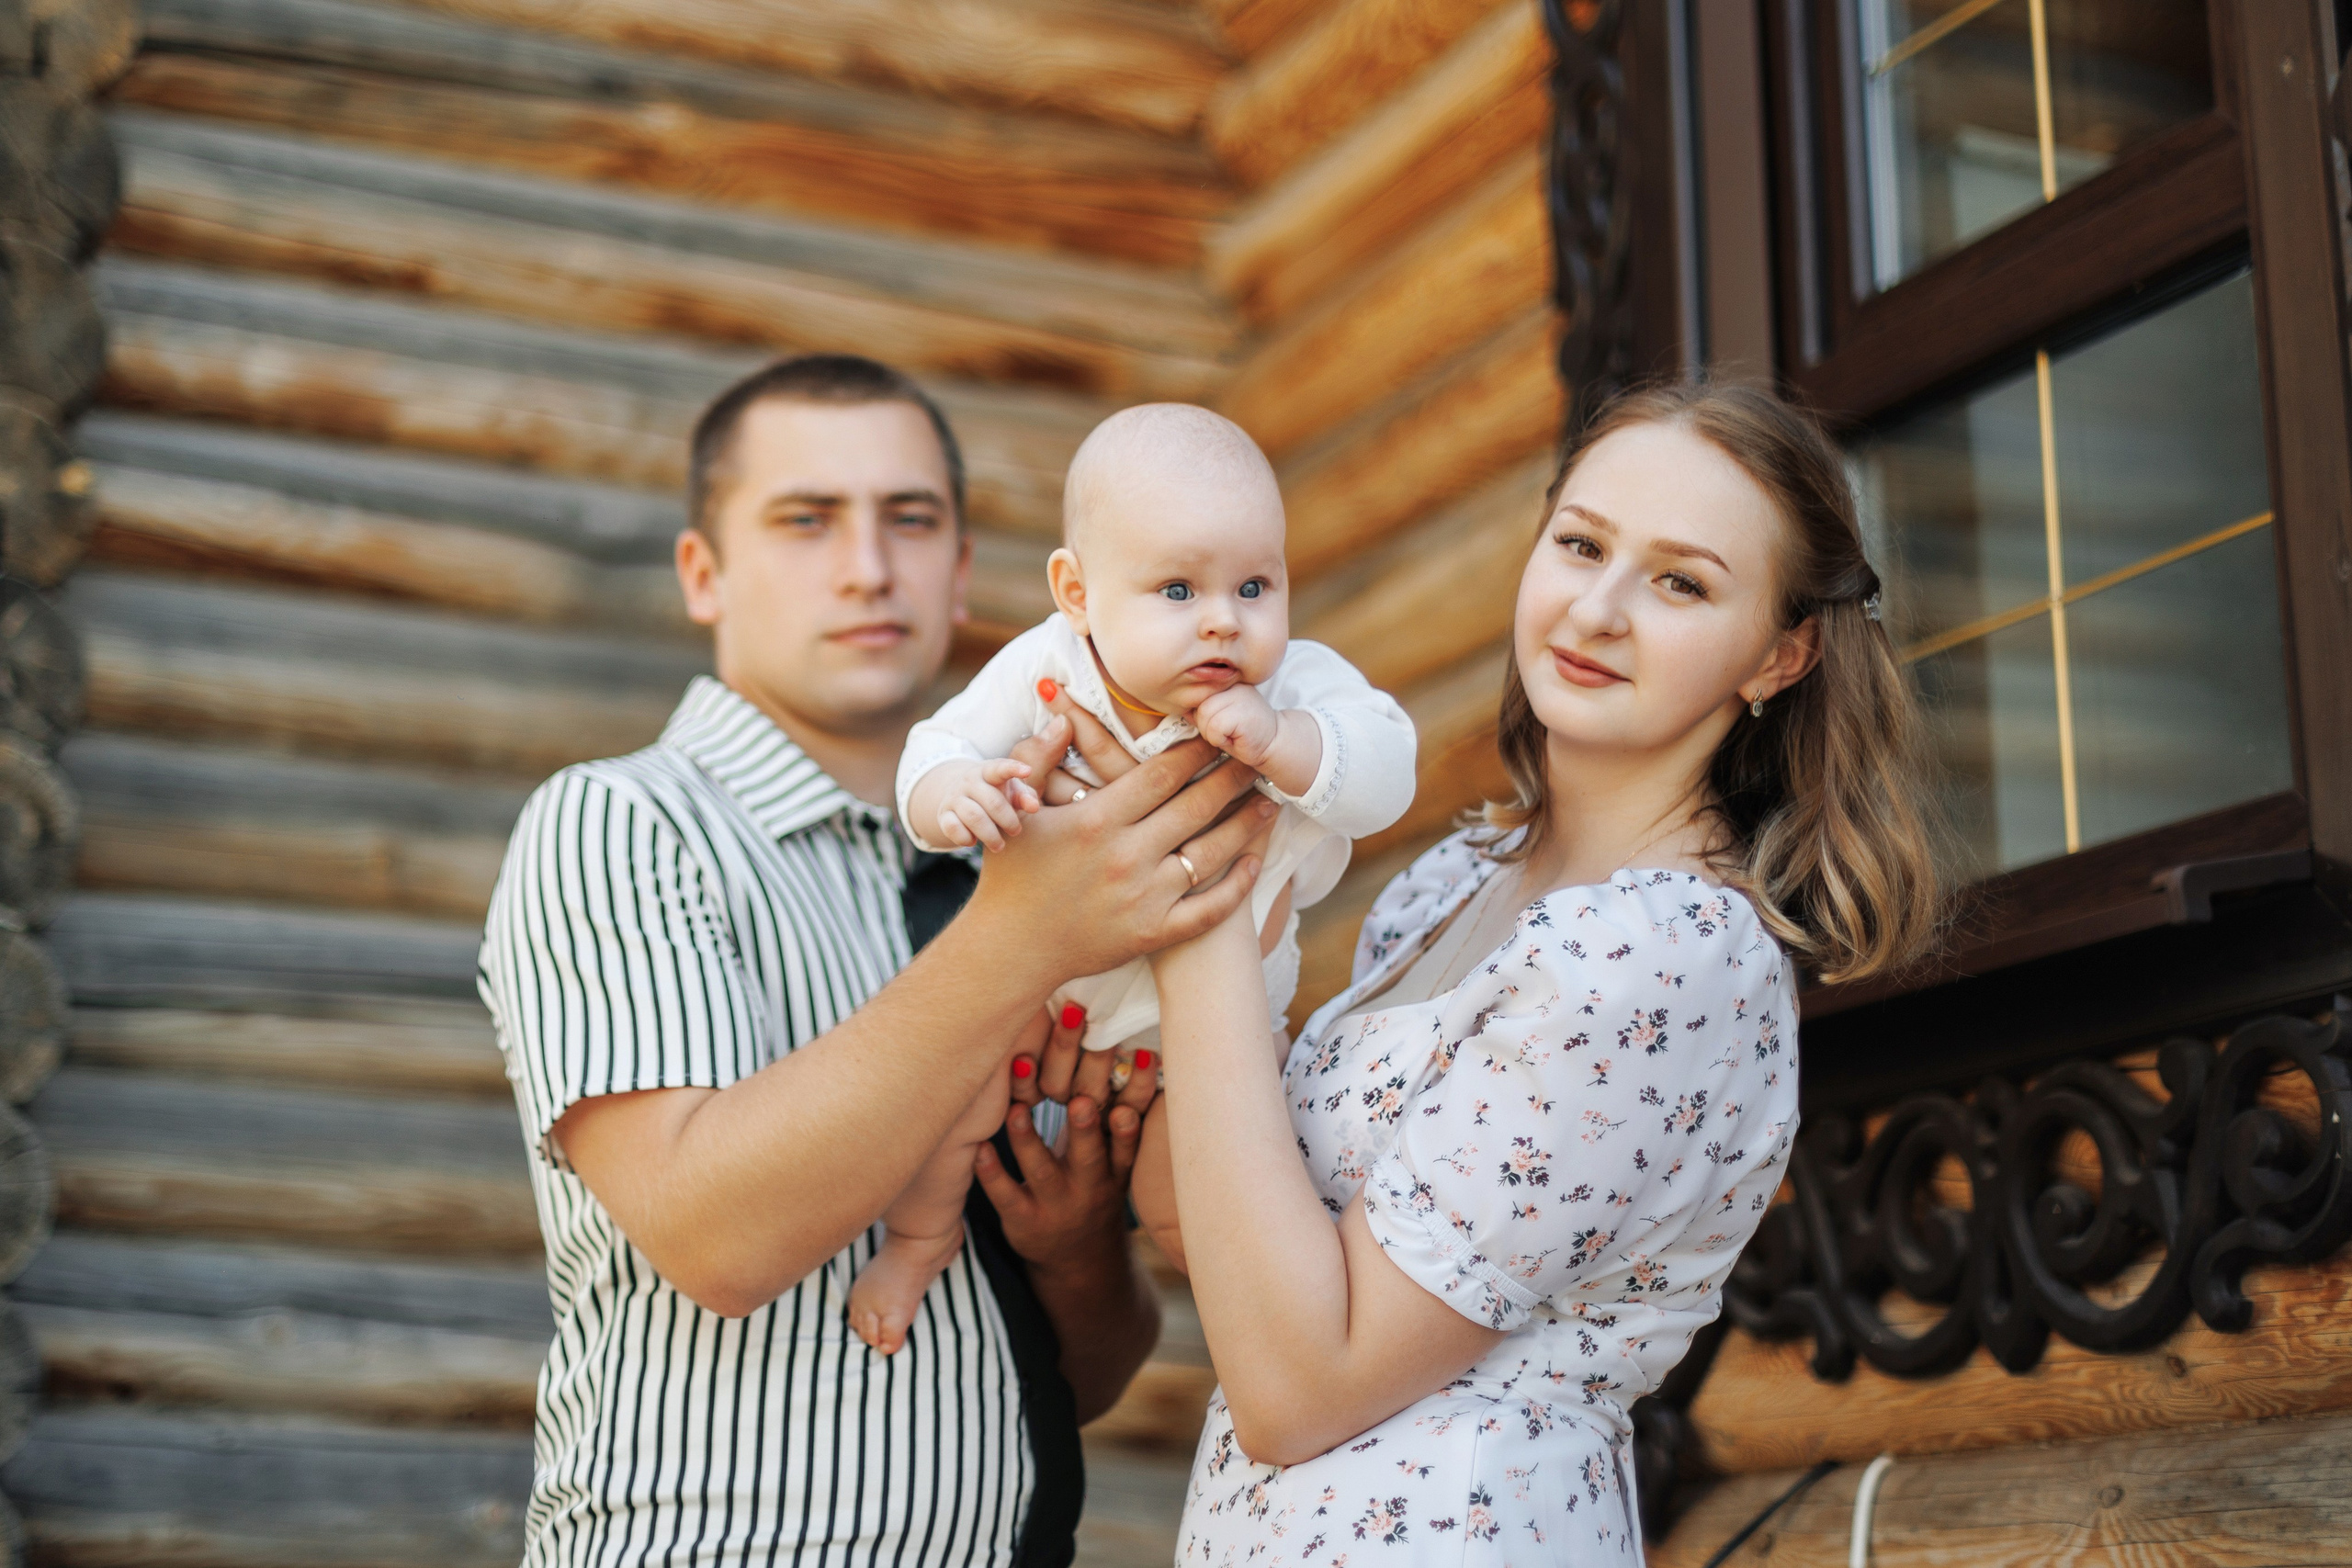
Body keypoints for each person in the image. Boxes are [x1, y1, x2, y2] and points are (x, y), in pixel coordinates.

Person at [477, 354, 1276, 1568]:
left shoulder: (1031, 855)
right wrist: (1026, 934)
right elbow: (716, 1237)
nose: (867, 566)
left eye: (911, 520)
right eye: (806, 520)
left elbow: (1093, 1376)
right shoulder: (620, 823)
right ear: (705, 573)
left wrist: (1072, 1254)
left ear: (963, 574)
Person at [1129, 382, 1945, 1560]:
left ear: (1779, 653)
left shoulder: (1665, 954)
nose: (1598, 609)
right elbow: (1241, 1255)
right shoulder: (1454, 880)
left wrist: (1201, 915)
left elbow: (1297, 1390)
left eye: (1680, 582)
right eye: (1579, 544)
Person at [854, 404, 1417, 1357]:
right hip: (1051, 989)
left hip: (1213, 1039)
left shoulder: (1300, 690)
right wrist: (956, 793)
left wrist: (1290, 744)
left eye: (1253, 585)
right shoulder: (1045, 668)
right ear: (1077, 592)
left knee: (1190, 1200)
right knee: (949, 1101)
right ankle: (917, 1242)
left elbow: (1387, 775)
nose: (1222, 622)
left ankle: (1300, 1313)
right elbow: (934, 749)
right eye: (1175, 589)